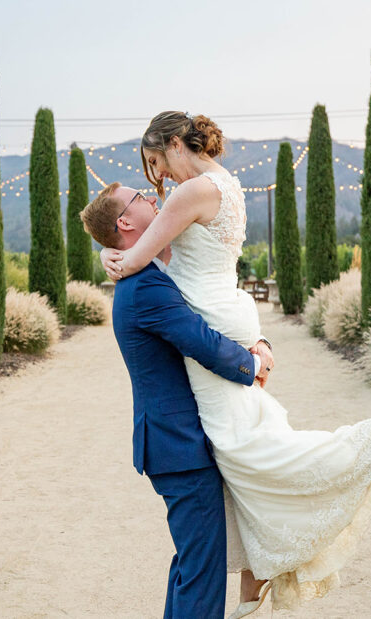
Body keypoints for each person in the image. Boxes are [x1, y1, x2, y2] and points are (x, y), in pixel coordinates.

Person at [97, 111, 371, 617]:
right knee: (244, 453)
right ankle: (256, 577)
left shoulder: (184, 204)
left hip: (213, 329)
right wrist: (255, 350)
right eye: (145, 189)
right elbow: (147, 264)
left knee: (244, 452)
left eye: (156, 165)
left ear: (173, 145)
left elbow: (141, 262)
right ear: (125, 222)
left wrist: (114, 257)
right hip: (224, 319)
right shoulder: (223, 187)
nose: (156, 183)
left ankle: (363, 457)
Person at [80, 183, 276, 619]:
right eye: (142, 199)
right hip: (179, 447)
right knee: (203, 575)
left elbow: (210, 308)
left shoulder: (146, 272)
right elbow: (199, 339)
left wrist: (255, 339)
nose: (154, 200)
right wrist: (252, 364)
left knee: (193, 565)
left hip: (174, 444)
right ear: (125, 222)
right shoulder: (145, 286)